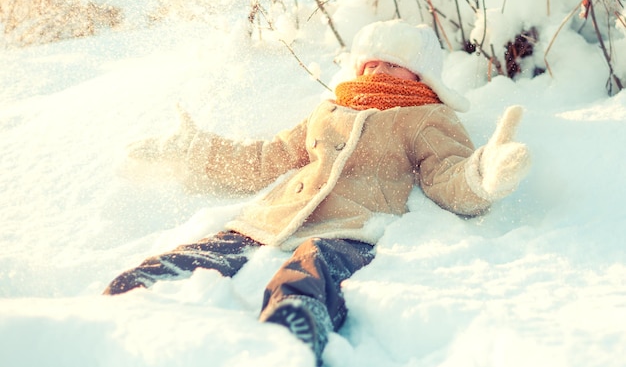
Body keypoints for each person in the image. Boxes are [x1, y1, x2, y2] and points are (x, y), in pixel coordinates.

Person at [103, 20, 531, 366]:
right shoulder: (329, 111)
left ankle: (289, 343)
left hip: (349, 228)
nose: (379, 71)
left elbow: (445, 176)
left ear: (421, 73)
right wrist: (196, 151)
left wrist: (483, 175)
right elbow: (267, 158)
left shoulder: (424, 116)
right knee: (196, 257)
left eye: (394, 64)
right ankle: (114, 311)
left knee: (307, 277)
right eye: (371, 63)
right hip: (271, 220)